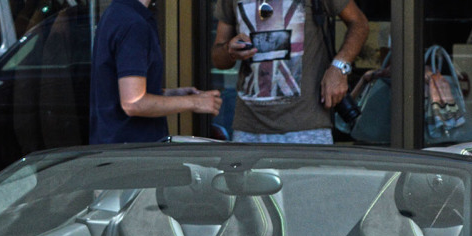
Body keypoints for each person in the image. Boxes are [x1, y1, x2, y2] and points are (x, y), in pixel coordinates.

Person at [211, 0, 369, 144]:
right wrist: (229, 50)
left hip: (306, 125)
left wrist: (339, 67)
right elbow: (218, 59)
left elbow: (359, 23)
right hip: (248, 125)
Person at [89, 0, 221, 145]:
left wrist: (170, 94)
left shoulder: (118, 13)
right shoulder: (134, 24)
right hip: (133, 154)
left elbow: (118, 91)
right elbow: (133, 103)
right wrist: (195, 103)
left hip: (116, 149)